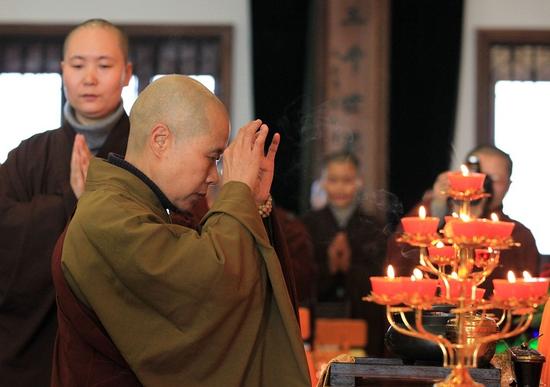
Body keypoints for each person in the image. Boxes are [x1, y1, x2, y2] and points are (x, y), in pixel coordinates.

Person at [51, 75, 310, 387]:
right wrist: (237, 190)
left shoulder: (135, 208)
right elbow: (210, 284)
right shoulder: (106, 216)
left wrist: (251, 202)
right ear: (160, 140)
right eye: (212, 157)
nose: (215, 177)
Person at [0, 19, 132, 386]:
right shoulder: (29, 155)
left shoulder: (147, 154)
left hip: (117, 361)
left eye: (104, 65)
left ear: (127, 72)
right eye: (77, 65)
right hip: (34, 357)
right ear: (62, 71)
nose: (89, 77)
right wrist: (66, 205)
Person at [387, 145, 540, 294]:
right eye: (477, 175)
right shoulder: (437, 220)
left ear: (508, 185)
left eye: (494, 179)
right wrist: (437, 205)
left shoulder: (518, 235)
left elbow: (523, 299)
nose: (483, 184)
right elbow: (399, 260)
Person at [302, 152, 387, 356]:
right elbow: (301, 277)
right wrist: (329, 268)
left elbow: (379, 280)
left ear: (359, 182)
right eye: (333, 180)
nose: (340, 187)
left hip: (363, 322)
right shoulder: (307, 224)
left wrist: (349, 267)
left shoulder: (374, 227)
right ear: (322, 183)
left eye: (347, 180)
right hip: (319, 322)